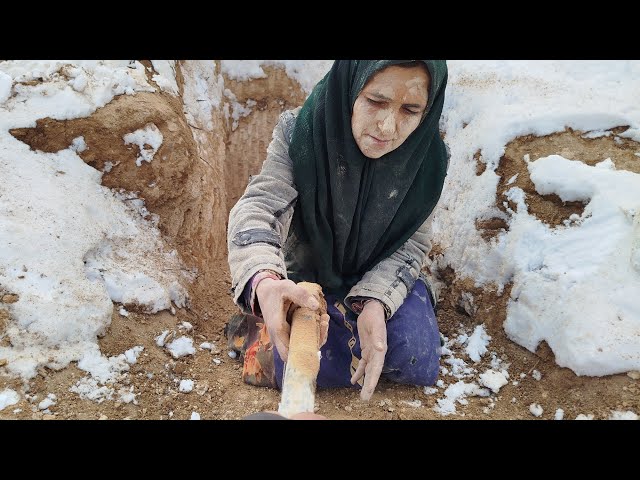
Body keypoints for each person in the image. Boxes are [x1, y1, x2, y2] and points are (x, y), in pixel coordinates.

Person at [227, 60, 449, 401]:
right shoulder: (301, 133)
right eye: (375, 101)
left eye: (410, 109)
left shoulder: (429, 161)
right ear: (350, 86)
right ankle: (270, 320)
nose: (388, 127)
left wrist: (377, 301)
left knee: (413, 349)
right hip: (306, 279)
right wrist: (266, 282)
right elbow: (261, 208)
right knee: (293, 359)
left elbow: (411, 245)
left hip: (379, 276)